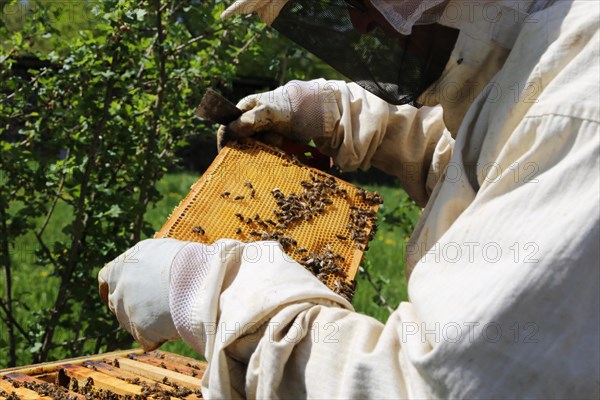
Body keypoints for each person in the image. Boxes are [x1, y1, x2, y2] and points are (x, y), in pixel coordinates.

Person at [98, 0, 600, 397]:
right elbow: (490, 153)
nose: (358, 25)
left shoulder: (577, 110)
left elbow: (433, 389)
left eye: (356, 0)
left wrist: (207, 293)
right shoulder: (548, 45)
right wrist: (351, 117)